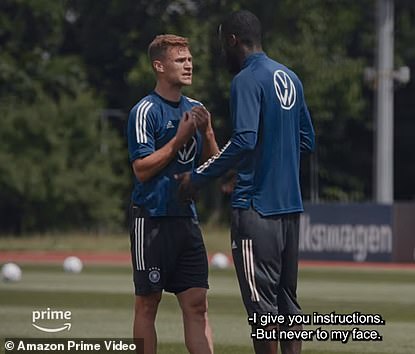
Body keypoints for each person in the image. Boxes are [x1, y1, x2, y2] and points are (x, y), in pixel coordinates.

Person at [176, 10, 315, 354]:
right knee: (287, 304)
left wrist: (198, 176)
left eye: (223, 42)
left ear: (233, 40)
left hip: (256, 209)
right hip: (290, 210)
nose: (223, 51)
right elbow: (306, 140)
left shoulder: (246, 79)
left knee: (262, 310)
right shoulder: (290, 77)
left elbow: (244, 140)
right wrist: (271, 161)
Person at [127, 34, 218, 354]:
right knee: (147, 304)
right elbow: (141, 168)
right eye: (180, 60)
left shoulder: (197, 109)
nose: (189, 64)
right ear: (159, 66)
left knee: (197, 304)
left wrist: (207, 133)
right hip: (152, 219)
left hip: (186, 220)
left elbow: (213, 166)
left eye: (189, 59)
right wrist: (179, 140)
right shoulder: (145, 110)